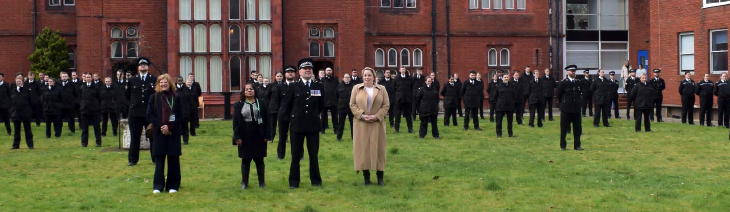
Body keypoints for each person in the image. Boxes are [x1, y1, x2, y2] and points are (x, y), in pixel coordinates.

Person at [281, 58, 325, 189]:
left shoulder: (318, 86)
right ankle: (294, 182)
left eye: (310, 69)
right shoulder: (293, 86)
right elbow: (287, 106)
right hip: (297, 125)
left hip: (312, 125)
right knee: (295, 156)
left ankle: (316, 181)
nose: (308, 70)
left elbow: (321, 105)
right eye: (305, 69)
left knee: (313, 155)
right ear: (299, 72)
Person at [350, 67, 390, 186]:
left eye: (369, 75)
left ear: (373, 77)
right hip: (361, 123)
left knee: (379, 149)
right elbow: (352, 104)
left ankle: (380, 178)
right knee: (363, 150)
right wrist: (361, 115)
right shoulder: (356, 88)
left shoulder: (381, 89)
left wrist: (377, 116)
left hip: (377, 123)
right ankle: (366, 178)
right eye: (365, 75)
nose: (367, 77)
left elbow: (386, 105)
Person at [147, 74, 184, 194]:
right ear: (158, 84)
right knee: (159, 160)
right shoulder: (154, 98)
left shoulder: (177, 97)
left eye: (165, 82)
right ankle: (158, 186)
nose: (163, 84)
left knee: (173, 159)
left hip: (173, 132)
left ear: (170, 84)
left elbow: (181, 116)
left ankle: (173, 185)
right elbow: (149, 115)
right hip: (159, 133)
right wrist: (161, 126)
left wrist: (170, 127)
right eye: (161, 82)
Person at [233, 83, 271, 189]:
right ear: (244, 92)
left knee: (259, 160)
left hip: (259, 134)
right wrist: (237, 137)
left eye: (251, 89)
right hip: (245, 135)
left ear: (255, 91)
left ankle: (261, 182)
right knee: (245, 160)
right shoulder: (239, 104)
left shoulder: (262, 103)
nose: (249, 91)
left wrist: (267, 135)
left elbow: (268, 120)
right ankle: (244, 183)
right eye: (247, 89)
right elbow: (235, 123)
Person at [127, 57, 158, 166]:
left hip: (150, 113)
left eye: (145, 64)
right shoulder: (132, 80)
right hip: (135, 114)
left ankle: (155, 159)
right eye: (141, 65)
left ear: (148, 67)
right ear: (138, 67)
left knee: (153, 136)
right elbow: (127, 96)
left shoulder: (154, 79)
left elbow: (157, 96)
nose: (143, 66)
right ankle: (132, 159)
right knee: (135, 138)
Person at [274, 66, 299, 160]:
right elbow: (277, 100)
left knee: (297, 136)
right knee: (282, 136)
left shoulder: (298, 85)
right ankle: (280, 155)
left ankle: (299, 155)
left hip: (296, 114)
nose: (290, 73)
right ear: (285, 74)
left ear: (295, 74)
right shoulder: (280, 86)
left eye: (292, 72)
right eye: (288, 72)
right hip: (283, 114)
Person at [557, 65, 584, 151]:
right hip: (566, 108)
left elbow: (579, 93)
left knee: (577, 128)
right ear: (567, 72)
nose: (573, 72)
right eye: (571, 71)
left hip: (576, 108)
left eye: (574, 71)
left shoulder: (578, 82)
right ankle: (563, 145)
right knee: (564, 128)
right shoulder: (563, 82)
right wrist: (564, 103)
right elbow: (559, 95)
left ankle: (577, 145)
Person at [80, 73, 102, 147]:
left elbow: (99, 98)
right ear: (85, 78)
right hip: (84, 110)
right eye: (86, 77)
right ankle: (84, 143)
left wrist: (97, 107)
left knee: (97, 127)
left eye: (89, 77)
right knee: (84, 128)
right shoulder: (82, 87)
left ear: (91, 78)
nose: (88, 78)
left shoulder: (96, 87)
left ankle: (98, 142)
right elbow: (80, 98)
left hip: (94, 110)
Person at [11, 75, 34, 149]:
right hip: (16, 113)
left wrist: (30, 111)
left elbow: (31, 101)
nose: (18, 83)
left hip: (25, 112)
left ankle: (30, 145)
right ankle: (16, 145)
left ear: (22, 82)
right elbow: (11, 101)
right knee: (17, 130)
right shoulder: (13, 90)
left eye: (20, 81)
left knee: (28, 129)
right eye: (17, 81)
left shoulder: (27, 90)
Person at [393, 67, 414, 133]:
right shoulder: (396, 79)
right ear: (400, 70)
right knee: (397, 115)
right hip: (399, 99)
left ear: (405, 70)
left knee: (408, 115)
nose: (403, 71)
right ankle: (396, 129)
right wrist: (396, 97)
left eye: (404, 69)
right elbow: (394, 89)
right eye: (402, 69)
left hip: (407, 99)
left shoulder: (409, 79)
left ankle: (410, 129)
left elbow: (412, 88)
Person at [494, 73, 515, 137]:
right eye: (505, 77)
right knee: (499, 121)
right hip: (500, 106)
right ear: (502, 78)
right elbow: (495, 96)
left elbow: (514, 96)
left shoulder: (512, 86)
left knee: (510, 122)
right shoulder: (498, 86)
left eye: (507, 77)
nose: (506, 78)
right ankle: (499, 134)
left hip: (509, 106)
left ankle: (510, 134)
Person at [336, 73, 355, 141]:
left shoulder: (353, 86)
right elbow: (337, 96)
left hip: (351, 108)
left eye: (348, 77)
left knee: (353, 124)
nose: (347, 79)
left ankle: (354, 137)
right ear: (343, 78)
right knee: (341, 123)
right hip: (342, 107)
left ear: (350, 78)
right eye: (345, 77)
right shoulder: (339, 86)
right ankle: (339, 137)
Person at [321, 67, 339, 134]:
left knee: (335, 117)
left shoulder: (335, 80)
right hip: (324, 101)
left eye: (330, 70)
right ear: (325, 72)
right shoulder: (322, 80)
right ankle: (322, 129)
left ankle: (336, 129)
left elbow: (338, 90)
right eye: (327, 70)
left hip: (333, 101)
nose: (329, 71)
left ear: (332, 71)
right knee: (323, 117)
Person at [176, 78, 193, 145]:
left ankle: (186, 140)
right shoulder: (174, 89)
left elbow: (190, 100)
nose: (180, 82)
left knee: (185, 126)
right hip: (176, 111)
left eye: (181, 81)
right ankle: (177, 140)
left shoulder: (186, 89)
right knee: (176, 127)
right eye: (178, 81)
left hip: (185, 111)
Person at [267, 72, 283, 141]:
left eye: (280, 76)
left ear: (282, 77)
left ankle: (283, 138)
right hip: (273, 107)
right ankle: (271, 137)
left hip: (282, 107)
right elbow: (267, 95)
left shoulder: (284, 85)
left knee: (282, 124)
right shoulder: (271, 85)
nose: (279, 77)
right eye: (277, 76)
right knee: (272, 123)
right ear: (275, 77)